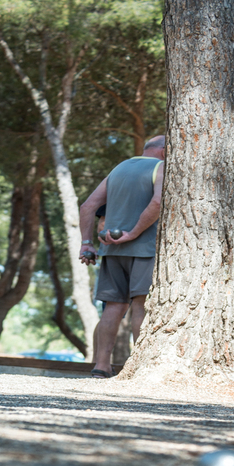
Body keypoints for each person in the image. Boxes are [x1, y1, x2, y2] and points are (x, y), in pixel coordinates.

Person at [77, 135, 166, 378]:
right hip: (145, 249)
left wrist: (86, 243)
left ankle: (101, 365)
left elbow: (87, 206)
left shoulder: (119, 168)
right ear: (164, 152)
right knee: (140, 307)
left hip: (111, 250)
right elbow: (158, 202)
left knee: (113, 307)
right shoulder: (162, 167)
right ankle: (139, 368)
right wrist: (133, 233)